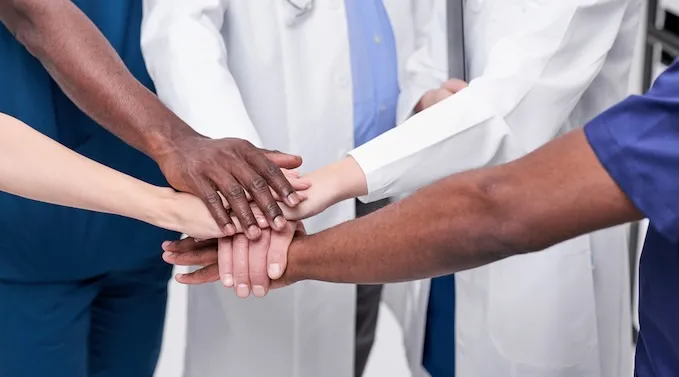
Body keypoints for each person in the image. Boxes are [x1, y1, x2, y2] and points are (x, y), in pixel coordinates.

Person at [164, 0, 643, 375]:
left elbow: (516, 105)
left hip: (537, 250)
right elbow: (432, 47)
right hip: (437, 223)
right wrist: (425, 100)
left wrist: (323, 183)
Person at [0, 7, 303, 376]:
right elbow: (37, 19)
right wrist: (176, 143)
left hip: (151, 209)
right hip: (36, 217)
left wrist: (181, 195)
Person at [140, 1, 430, 375]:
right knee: (265, 352)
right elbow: (180, 32)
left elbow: (421, 27)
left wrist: (421, 97)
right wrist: (240, 175)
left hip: (383, 173)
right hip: (274, 183)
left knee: (351, 346)